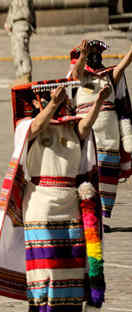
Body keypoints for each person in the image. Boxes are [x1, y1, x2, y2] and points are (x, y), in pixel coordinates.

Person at [0, 80, 108, 312]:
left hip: (69, 203)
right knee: (43, 265)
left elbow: (87, 124)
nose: (63, 102)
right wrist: (53, 105)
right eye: (54, 98)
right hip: (39, 202)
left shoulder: (73, 128)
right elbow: (36, 125)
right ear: (40, 102)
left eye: (63, 99)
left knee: (65, 265)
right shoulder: (26, 126)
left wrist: (100, 101)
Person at [70, 40, 132, 227]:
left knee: (106, 174)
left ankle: (103, 217)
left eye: (98, 53)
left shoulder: (110, 75)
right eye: (92, 53)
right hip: (87, 133)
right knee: (87, 172)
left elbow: (124, 64)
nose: (95, 56)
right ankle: (88, 214)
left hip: (108, 136)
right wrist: (82, 55)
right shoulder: (80, 76)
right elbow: (75, 73)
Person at [5, 0, 36, 85]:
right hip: (15, 25)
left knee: (22, 50)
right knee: (16, 51)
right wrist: (8, 22)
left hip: (22, 23)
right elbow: (12, 8)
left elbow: (30, 10)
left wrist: (32, 24)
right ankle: (20, 76)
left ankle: (26, 74)